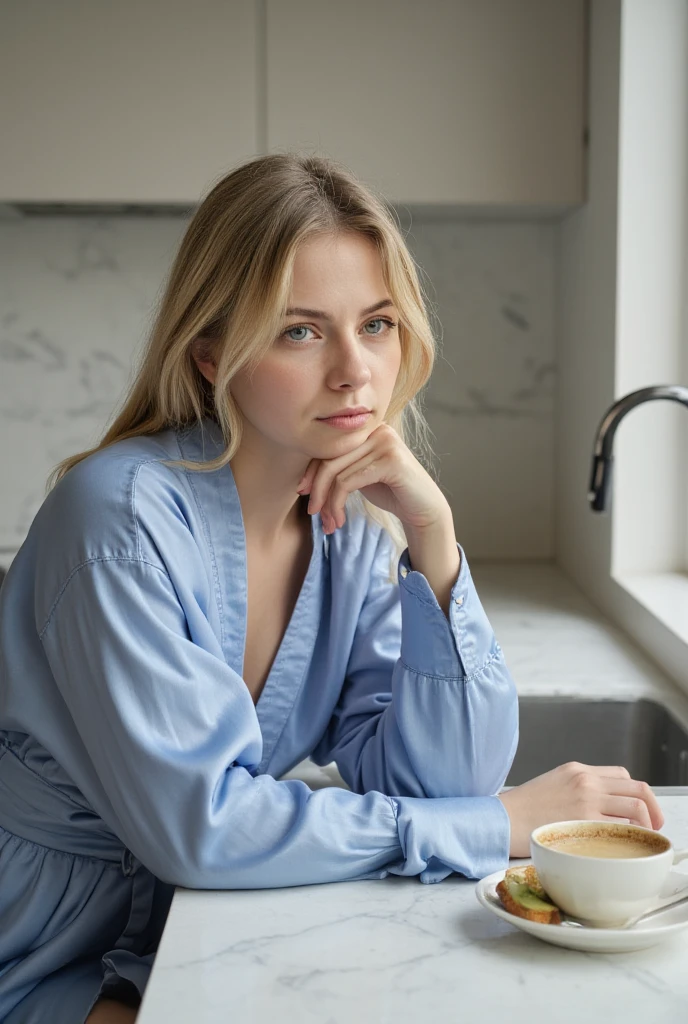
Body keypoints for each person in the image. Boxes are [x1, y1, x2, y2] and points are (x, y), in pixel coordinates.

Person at [0, 154, 663, 1024]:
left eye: (378, 324)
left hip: (202, 921)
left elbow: (444, 780)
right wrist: (496, 823)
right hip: (40, 941)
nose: (356, 371)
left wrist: (436, 544)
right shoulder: (119, 521)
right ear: (210, 354)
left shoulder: (347, 529)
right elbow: (204, 829)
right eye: (300, 331)